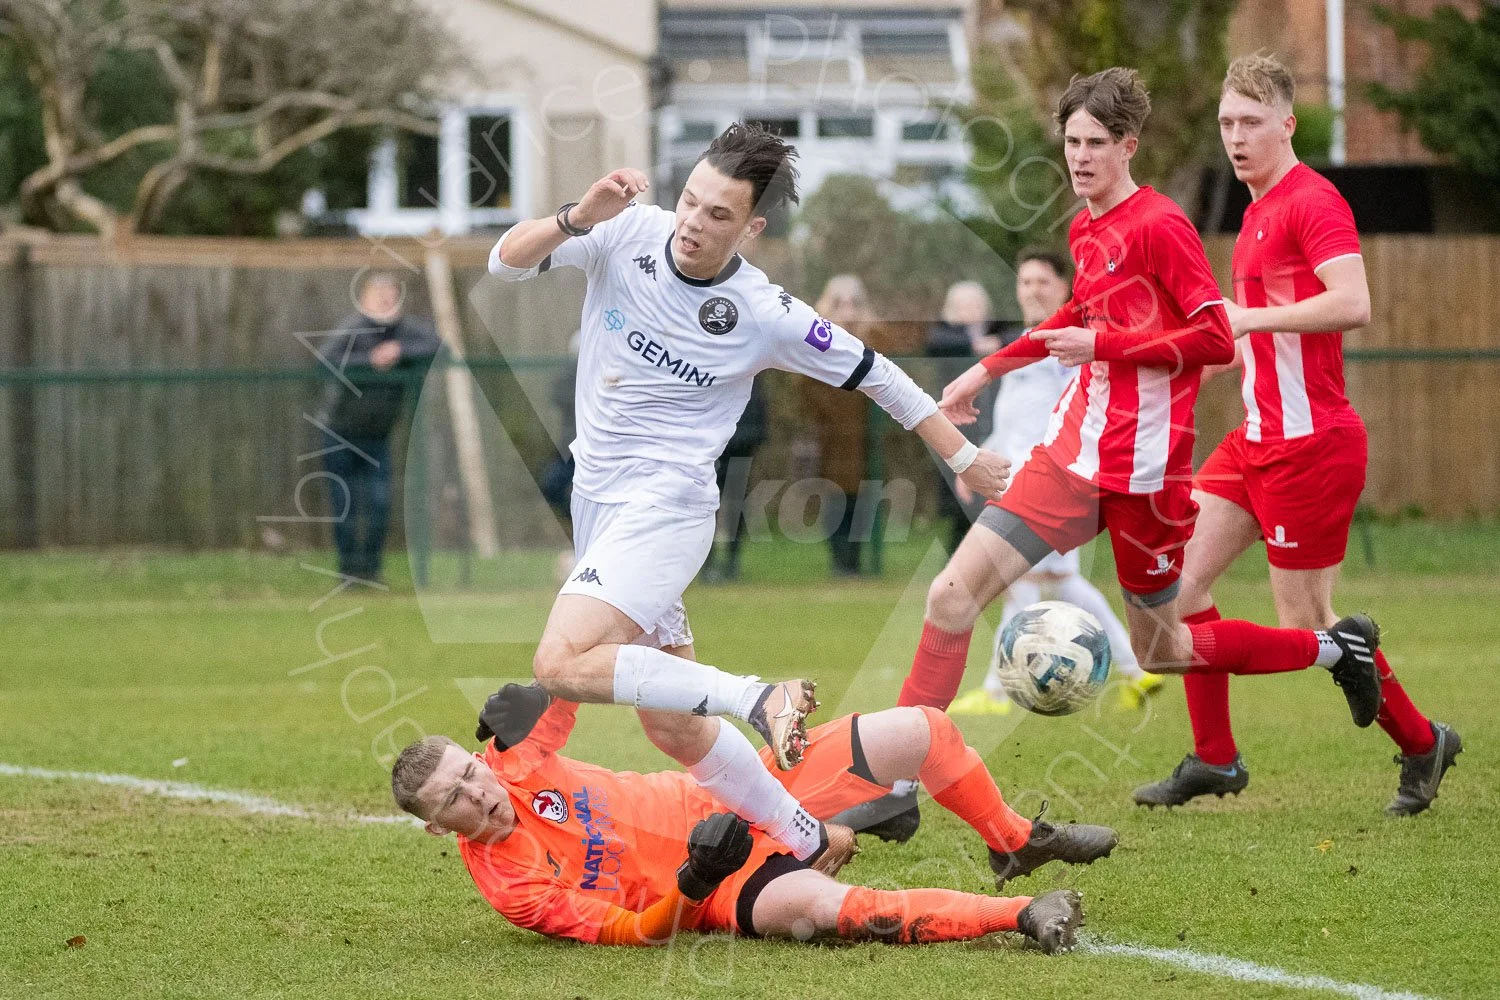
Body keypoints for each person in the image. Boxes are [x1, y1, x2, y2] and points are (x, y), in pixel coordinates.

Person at [486, 122, 1012, 869]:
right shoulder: (626, 230)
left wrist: (965, 456)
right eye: (691, 203)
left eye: (719, 215)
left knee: (559, 660)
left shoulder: (766, 313)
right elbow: (503, 264)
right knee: (673, 729)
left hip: (665, 510)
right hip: (599, 507)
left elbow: (880, 376)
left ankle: (759, 697)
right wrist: (579, 216)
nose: (695, 224)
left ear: (752, 228)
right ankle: (808, 838)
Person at [879, 68, 1385, 841]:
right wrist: (982, 371)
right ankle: (898, 782)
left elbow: (1216, 337)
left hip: (1146, 477)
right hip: (1068, 462)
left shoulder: (1161, 225)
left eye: (1095, 144)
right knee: (950, 597)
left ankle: (1329, 648)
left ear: (1128, 147)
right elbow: (1078, 312)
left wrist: (1105, 344)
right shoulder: (1085, 229)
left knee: (1165, 648)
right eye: (1071, 143)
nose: (1080, 158)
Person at [1133, 54, 1459, 816]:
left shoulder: (1314, 202)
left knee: (1307, 628)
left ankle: (1421, 742)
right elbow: (1257, 335)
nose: (1236, 137)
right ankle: (1215, 759)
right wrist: (1206, 364)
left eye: (1251, 122)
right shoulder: (1253, 211)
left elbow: (1353, 302)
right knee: (1176, 595)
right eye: (1226, 123)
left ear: (1287, 123)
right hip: (1255, 440)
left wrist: (1248, 318)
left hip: (1312, 448)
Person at [389, 682, 1115, 950]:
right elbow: (632, 932)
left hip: (736, 790)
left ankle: (1016, 841)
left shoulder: (513, 760)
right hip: (723, 891)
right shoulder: (512, 891)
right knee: (837, 913)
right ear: (433, 826)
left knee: (923, 730)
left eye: (469, 771)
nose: (477, 792)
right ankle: (1020, 912)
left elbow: (584, 670)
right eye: (452, 798)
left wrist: (537, 691)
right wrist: (697, 881)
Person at [949, 249, 1163, 718]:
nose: (1031, 290)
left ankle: (1003, 691)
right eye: (1024, 282)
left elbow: (1081, 404)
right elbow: (1016, 418)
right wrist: (977, 460)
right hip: (1020, 479)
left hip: (1053, 480)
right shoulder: (1026, 342)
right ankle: (1129, 670)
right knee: (1042, 582)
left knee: (1032, 579)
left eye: (1042, 282)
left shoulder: (1068, 347)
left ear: (1065, 290)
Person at [315, 271, 440, 582]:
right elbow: (325, 361)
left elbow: (437, 346)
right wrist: (370, 359)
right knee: (344, 506)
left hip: (378, 437)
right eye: (378, 294)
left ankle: (371, 571)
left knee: (379, 504)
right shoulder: (352, 329)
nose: (385, 300)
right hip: (339, 434)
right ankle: (348, 572)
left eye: (390, 294)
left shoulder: (405, 332)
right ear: (365, 297)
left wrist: (399, 351)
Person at [802, 275, 880, 576]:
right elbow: (808, 387)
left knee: (861, 499)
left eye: (853, 303)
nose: (847, 310)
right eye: (840, 303)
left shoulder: (873, 337)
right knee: (834, 498)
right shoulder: (817, 339)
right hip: (830, 437)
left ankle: (857, 561)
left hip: (865, 437)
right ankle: (839, 560)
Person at [927, 281, 1002, 554]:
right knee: (962, 504)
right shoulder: (945, 336)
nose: (972, 309)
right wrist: (976, 345)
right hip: (960, 428)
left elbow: (1023, 337)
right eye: (964, 304)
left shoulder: (999, 333)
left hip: (996, 425)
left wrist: (995, 344)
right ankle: (958, 564)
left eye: (976, 303)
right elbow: (935, 344)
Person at [702, 376, 769, 582]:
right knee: (708, 502)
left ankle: (729, 559)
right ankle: (708, 559)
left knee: (735, 503)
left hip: (740, 440)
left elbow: (756, 403)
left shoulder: (745, 359)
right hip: (718, 443)